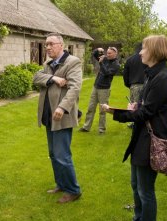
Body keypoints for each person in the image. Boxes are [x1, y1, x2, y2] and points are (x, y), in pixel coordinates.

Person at [101, 35, 167, 221]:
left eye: (144, 48)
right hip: (141, 137)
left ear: (154, 51)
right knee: (136, 185)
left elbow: (146, 112)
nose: (140, 52)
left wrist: (116, 113)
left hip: (151, 139)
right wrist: (136, 106)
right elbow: (144, 107)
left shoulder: (164, 77)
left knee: (145, 190)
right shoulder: (152, 74)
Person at [33, 33, 82, 204]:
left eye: (50, 44)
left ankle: (73, 190)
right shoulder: (48, 64)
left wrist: (62, 106)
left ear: (61, 45)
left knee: (62, 155)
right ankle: (61, 184)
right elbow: (36, 78)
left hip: (62, 116)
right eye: (46, 44)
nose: (47, 47)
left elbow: (75, 88)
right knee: (53, 154)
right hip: (48, 115)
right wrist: (54, 78)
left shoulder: (72, 62)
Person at [79, 47, 120, 134]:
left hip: (104, 89)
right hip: (96, 86)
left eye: (109, 53)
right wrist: (98, 50)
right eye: (107, 53)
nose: (107, 55)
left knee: (103, 110)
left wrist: (101, 63)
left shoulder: (116, 64)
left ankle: (101, 130)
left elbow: (107, 73)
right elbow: (94, 54)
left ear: (115, 54)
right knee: (91, 108)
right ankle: (86, 127)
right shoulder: (104, 58)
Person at [123, 43, 146, 128]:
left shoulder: (130, 59)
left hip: (134, 85)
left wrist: (128, 85)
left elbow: (125, 74)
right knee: (141, 105)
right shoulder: (147, 59)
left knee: (134, 104)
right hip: (145, 84)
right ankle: (137, 123)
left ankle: (136, 123)